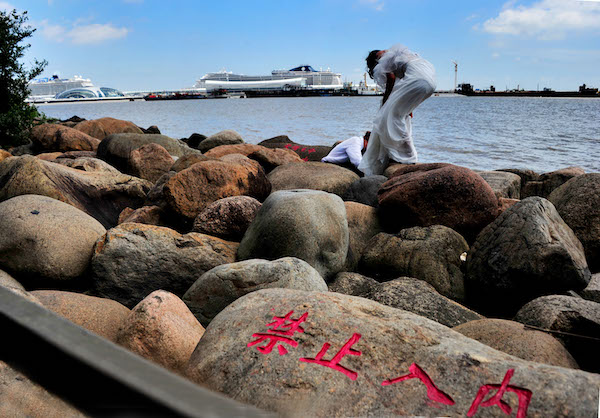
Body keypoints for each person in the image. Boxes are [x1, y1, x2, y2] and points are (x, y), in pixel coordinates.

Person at [358, 44, 436, 176]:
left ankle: (406, 156)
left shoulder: (383, 58)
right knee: (399, 114)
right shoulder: (399, 53)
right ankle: (403, 153)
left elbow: (391, 79)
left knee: (390, 116)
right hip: (429, 79)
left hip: (417, 79)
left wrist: (386, 102)